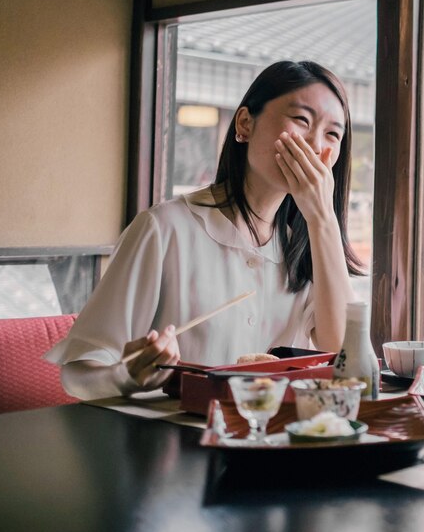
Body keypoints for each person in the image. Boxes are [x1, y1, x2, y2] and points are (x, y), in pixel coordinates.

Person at [46, 60, 365, 400]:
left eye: (333, 133)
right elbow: (78, 374)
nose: (315, 145)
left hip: (273, 444)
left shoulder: (309, 247)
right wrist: (128, 375)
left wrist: (322, 219)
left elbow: (349, 362)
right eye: (301, 120)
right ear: (244, 123)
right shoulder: (165, 229)